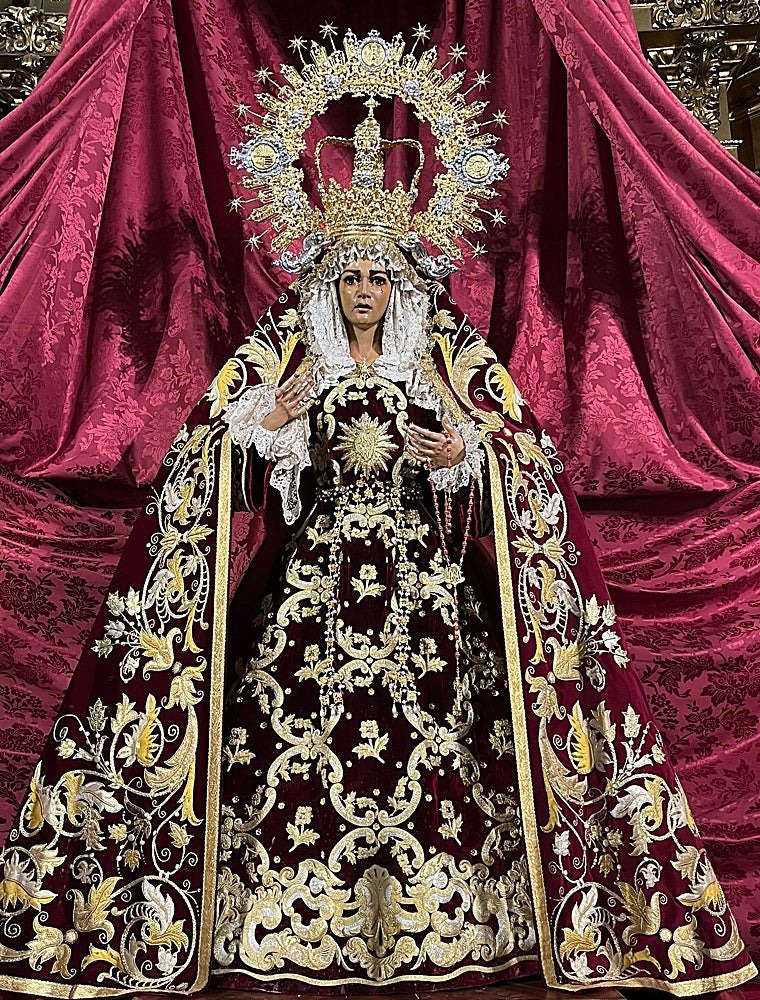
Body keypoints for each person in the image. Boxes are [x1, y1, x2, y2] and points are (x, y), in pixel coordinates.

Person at [0, 26, 756, 998]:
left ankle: (474, 901)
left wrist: (465, 456)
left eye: (377, 275)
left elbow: (525, 458)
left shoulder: (443, 348)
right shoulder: (288, 346)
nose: (362, 290)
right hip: (312, 592)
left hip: (424, 595)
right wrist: (260, 431)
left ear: (401, 278)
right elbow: (201, 462)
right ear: (326, 275)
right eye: (349, 274)